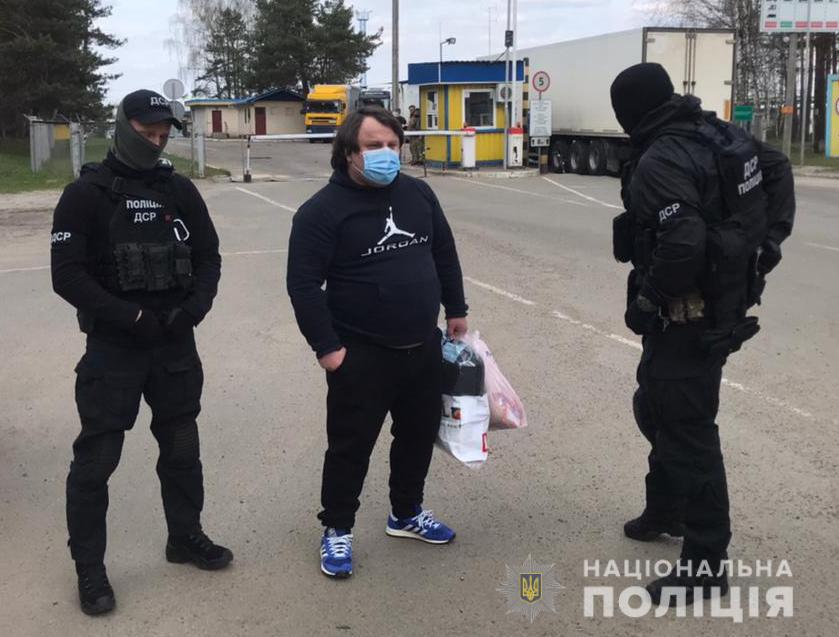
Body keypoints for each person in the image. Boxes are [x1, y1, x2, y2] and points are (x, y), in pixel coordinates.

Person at [610, 63, 794, 605]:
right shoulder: (715, 131)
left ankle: (706, 563)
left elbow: (684, 240)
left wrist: (648, 300)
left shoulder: (662, 157)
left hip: (687, 315)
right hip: (717, 304)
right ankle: (665, 508)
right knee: (654, 405)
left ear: (629, 113)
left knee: (687, 430)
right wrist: (766, 244)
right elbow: (777, 168)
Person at [51, 89, 232, 616]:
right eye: (146, 133)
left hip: (174, 344)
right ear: (122, 127)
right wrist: (129, 317)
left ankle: (185, 537)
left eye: (162, 135)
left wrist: (192, 311)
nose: (155, 143)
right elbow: (67, 276)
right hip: (114, 350)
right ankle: (90, 568)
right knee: (97, 462)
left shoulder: (178, 189)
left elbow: (209, 257)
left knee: (181, 449)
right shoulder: (85, 194)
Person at [287, 106, 468, 579]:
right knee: (350, 448)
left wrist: (457, 309)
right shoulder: (321, 212)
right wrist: (328, 349)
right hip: (361, 354)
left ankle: (406, 513)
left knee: (416, 437)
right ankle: (337, 528)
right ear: (349, 152)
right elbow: (303, 286)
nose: (386, 153)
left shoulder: (418, 194)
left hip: (422, 347)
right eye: (373, 146)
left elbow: (443, 253)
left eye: (392, 144)